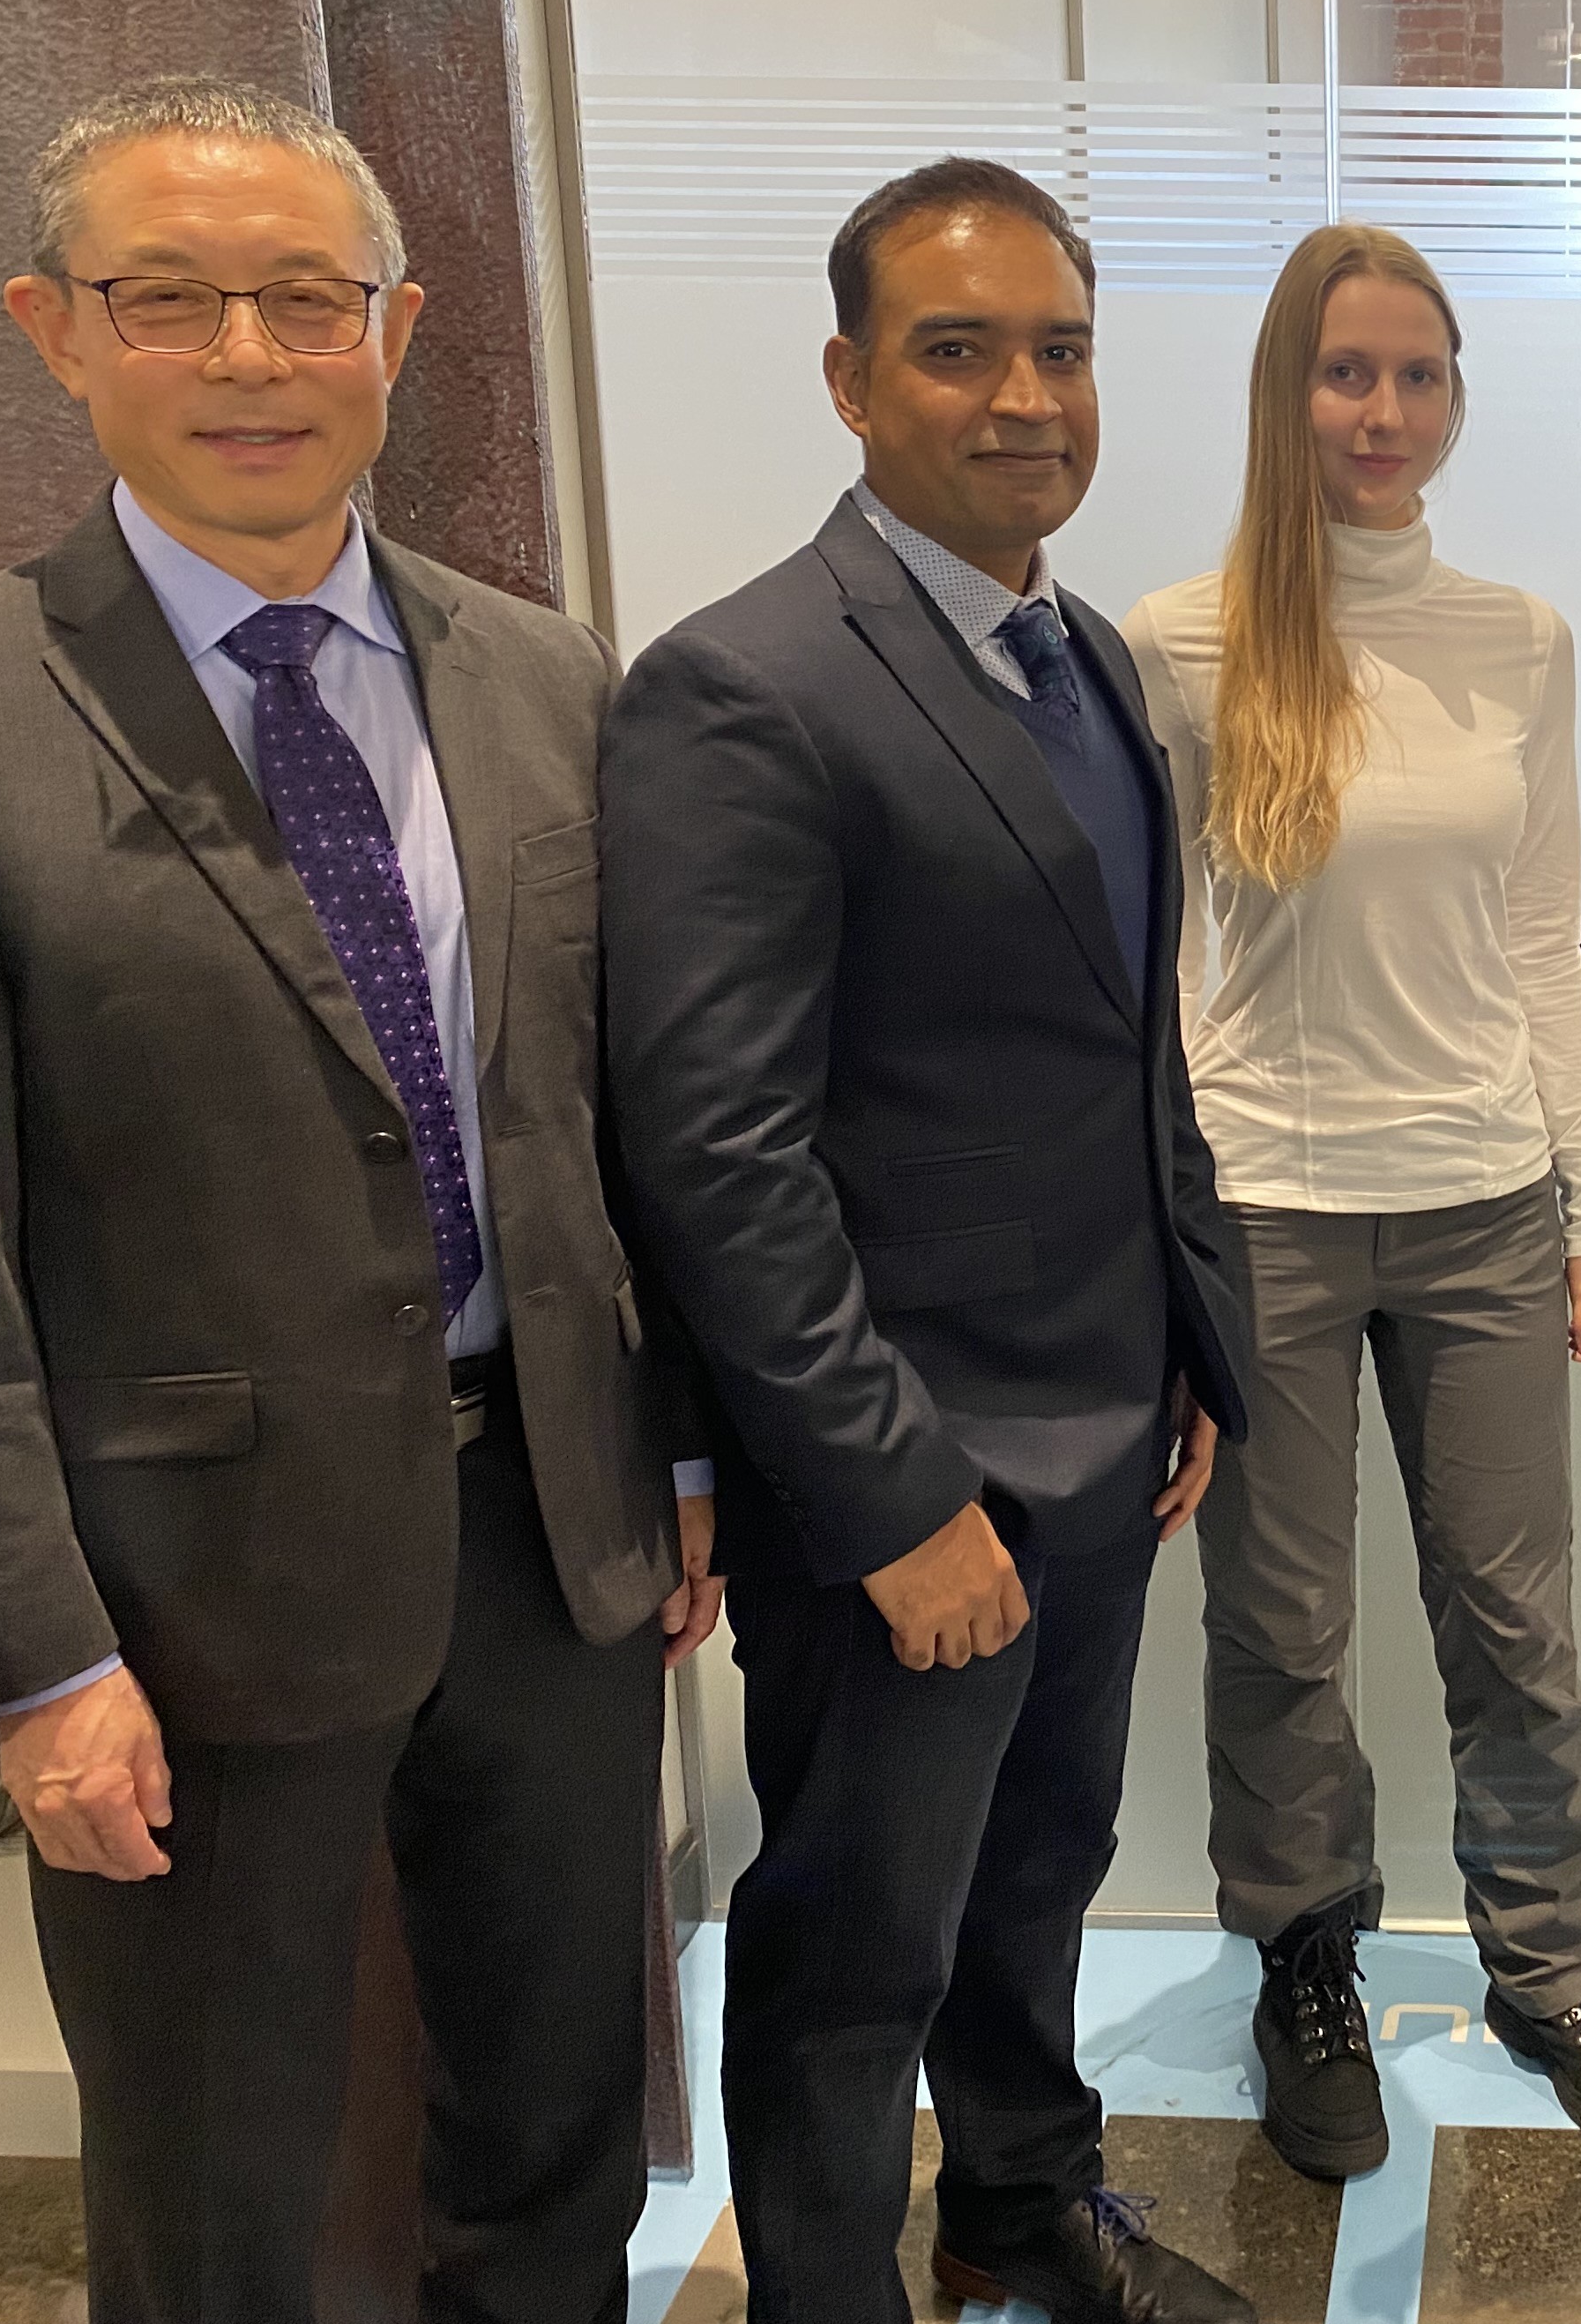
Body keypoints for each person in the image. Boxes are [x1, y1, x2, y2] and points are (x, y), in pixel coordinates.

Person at [0, 76, 717, 2324]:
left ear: (400, 327)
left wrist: (678, 1450)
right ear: (54, 332)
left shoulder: (542, 675)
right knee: (214, 2185)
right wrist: (37, 1658)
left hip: (550, 1541)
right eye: (172, 303)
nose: (250, 359)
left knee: (552, 2135)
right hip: (179, 1589)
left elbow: (606, 1126)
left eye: (305, 302)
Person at [601, 157, 1257, 2324]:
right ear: (850, 382)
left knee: (1040, 1875)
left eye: (1058, 349)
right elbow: (719, 1149)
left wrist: (1187, 1356)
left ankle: (1017, 2207)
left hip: (1097, 1428)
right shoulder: (748, 689)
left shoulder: (1081, 659)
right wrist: (890, 1503)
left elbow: (1109, 1058)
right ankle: (823, 2295)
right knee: (853, 1942)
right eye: (957, 350)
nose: (1024, 398)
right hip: (908, 1483)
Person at [1123, 222, 1581, 2178]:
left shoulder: (1517, 638)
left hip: (1486, 1206)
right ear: (1288, 395)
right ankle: (1306, 1962)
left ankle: (1554, 1969)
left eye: (1416, 375)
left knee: (1516, 1620)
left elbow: (1543, 942)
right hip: (1265, 1206)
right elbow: (1138, 961)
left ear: (1455, 399)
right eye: (1345, 374)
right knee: (1280, 1632)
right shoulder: (1174, 643)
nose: (1382, 411)